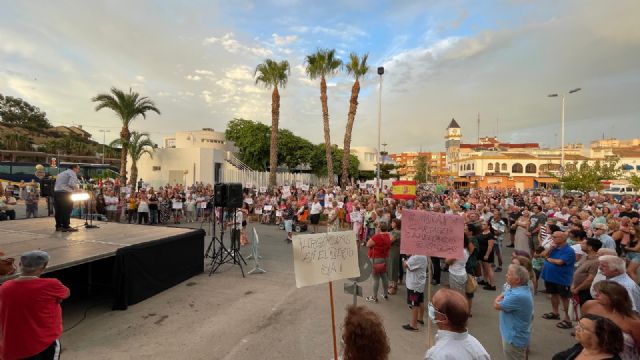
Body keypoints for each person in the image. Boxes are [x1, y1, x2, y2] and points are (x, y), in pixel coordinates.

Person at [0, 250, 70, 360]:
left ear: (19, 265)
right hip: (43, 343)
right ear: (44, 266)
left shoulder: (4, 287)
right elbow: (66, 293)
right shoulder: (51, 285)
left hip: (13, 347)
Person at [424, 288, 490, 360]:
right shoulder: (478, 349)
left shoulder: (436, 356)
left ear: (444, 318)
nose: (430, 308)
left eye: (433, 307)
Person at [583, 280, 640, 360]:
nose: (596, 295)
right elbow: (582, 325)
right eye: (596, 292)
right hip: (589, 354)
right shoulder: (589, 305)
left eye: (600, 293)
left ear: (613, 297)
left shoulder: (634, 322)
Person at [494, 264, 533, 360]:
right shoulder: (517, 288)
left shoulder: (517, 295)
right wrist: (503, 295)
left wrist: (498, 298)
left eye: (509, 274)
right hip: (513, 335)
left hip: (514, 339)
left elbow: (496, 305)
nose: (506, 275)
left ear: (517, 280)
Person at [540, 231, 576, 329]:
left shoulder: (569, 251)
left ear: (563, 239)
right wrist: (550, 249)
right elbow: (542, 255)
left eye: (555, 237)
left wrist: (549, 259)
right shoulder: (554, 248)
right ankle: (555, 313)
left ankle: (568, 319)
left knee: (564, 299)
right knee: (553, 295)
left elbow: (560, 262)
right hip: (550, 277)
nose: (552, 238)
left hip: (562, 279)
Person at [552, 314, 623, 360]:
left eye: (582, 328)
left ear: (600, 336)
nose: (576, 328)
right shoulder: (581, 347)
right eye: (578, 325)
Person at [570, 238, 602, 305]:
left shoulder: (596, 262)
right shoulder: (585, 257)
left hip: (584, 291)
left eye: (583, 243)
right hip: (576, 288)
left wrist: (577, 289)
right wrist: (573, 285)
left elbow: (590, 279)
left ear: (590, 247)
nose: (580, 245)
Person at [366, 223, 391, 303]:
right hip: (384, 258)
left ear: (379, 228)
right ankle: (385, 294)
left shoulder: (377, 236)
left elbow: (368, 244)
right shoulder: (388, 236)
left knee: (375, 278)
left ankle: (374, 297)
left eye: (378, 227)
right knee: (384, 276)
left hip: (375, 258)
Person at [402, 253, 428, 331]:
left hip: (414, 285)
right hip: (419, 283)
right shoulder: (423, 255)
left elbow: (408, 266)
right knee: (420, 301)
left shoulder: (418, 256)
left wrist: (404, 260)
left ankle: (413, 325)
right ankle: (420, 318)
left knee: (414, 304)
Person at [53, 164, 80, 232]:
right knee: (67, 210)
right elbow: (71, 184)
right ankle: (66, 226)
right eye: (78, 169)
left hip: (57, 193)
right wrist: (77, 190)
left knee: (58, 210)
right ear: (74, 168)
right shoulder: (72, 173)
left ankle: (58, 226)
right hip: (65, 193)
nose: (79, 170)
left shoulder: (61, 173)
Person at [386, 218, 401, 295]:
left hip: (395, 250)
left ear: (396, 224)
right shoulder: (393, 231)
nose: (391, 224)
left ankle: (394, 286)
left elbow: (390, 241)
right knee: (390, 266)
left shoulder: (397, 232)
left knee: (394, 267)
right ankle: (392, 284)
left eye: (393, 222)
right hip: (391, 250)